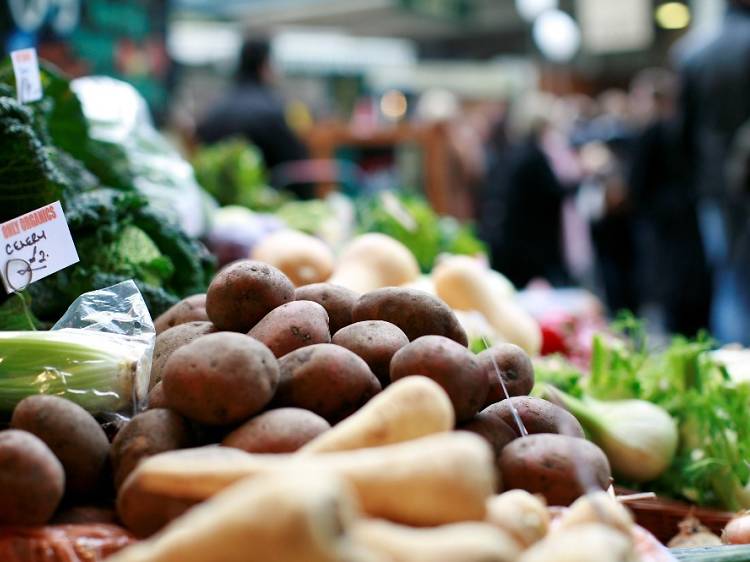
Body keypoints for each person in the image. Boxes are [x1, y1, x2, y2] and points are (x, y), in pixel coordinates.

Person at [679, 0, 750, 344]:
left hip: (713, 189)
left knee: (727, 281)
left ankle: (735, 375)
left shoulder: (694, 53)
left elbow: (683, 134)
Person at [629, 69, 711, 336]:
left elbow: (637, 186)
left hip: (662, 227)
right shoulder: (684, 128)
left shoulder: (652, 133)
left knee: (672, 298)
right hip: (686, 220)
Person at [196, 38, 313, 198]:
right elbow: (296, 167)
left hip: (213, 200)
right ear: (264, 65)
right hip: (262, 203)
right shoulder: (272, 108)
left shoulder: (216, 107)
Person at [480, 93, 570, 288]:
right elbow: (554, 193)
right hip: (530, 249)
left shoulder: (515, 152)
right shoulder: (533, 156)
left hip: (514, 244)